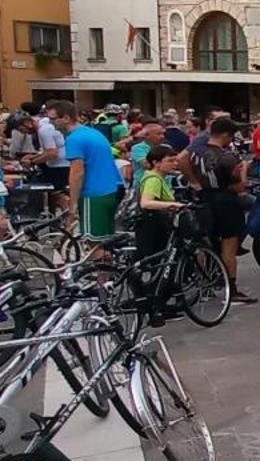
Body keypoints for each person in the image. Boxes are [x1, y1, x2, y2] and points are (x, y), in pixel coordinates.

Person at [190, 117, 255, 303]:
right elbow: (238, 187)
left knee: (204, 242)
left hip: (203, 198)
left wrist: (193, 181)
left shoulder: (196, 152)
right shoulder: (228, 157)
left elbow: (181, 159)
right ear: (226, 135)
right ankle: (231, 287)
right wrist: (243, 172)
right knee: (229, 244)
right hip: (225, 201)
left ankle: (203, 282)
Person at [53, 102, 124, 238]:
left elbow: (77, 173)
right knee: (105, 241)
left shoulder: (74, 139)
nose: (51, 123)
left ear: (66, 118)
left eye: (53, 119)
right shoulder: (92, 133)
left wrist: (72, 205)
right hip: (110, 189)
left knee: (93, 243)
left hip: (93, 193)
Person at [133, 143, 186, 319]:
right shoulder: (154, 179)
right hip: (153, 227)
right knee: (160, 266)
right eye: (169, 161)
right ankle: (157, 306)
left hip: (154, 226)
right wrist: (173, 204)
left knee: (159, 265)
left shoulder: (156, 177)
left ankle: (158, 304)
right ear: (156, 163)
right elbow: (146, 203)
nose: (174, 164)